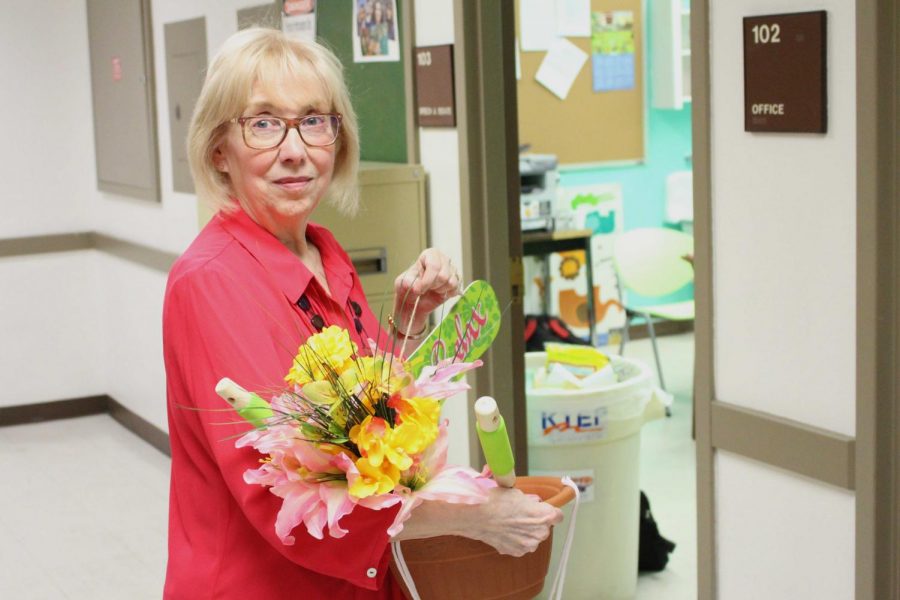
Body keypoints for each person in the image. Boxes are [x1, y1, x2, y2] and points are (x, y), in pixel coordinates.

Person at [163, 28, 561, 599]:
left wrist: (410, 319)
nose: (295, 149)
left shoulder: (323, 254)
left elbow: (380, 416)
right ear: (218, 149)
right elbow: (288, 490)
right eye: (264, 123)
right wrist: (472, 517)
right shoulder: (211, 282)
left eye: (314, 121)